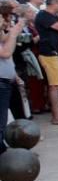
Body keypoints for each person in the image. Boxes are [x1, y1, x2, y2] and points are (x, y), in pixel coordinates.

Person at [0, 10, 28, 149]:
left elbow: (4, 40)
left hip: (6, 80)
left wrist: (14, 29)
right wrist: (14, 34)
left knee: (5, 119)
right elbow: (5, 53)